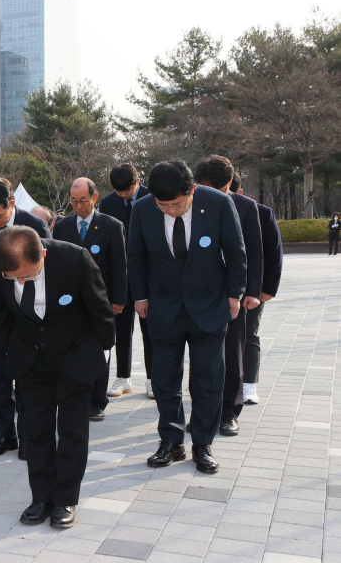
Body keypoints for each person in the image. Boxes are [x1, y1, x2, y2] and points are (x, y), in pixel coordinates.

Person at [0, 227, 115, 528]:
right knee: (36, 430)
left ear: (42, 254)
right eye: (13, 277)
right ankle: (41, 498)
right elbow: (1, 314)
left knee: (72, 431)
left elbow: (101, 310)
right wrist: (13, 351)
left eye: (26, 276)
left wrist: (102, 353)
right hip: (30, 359)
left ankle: (65, 499)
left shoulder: (74, 259)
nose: (20, 282)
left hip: (74, 355)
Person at [128, 160, 247, 474]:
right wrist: (140, 296)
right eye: (163, 205)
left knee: (208, 379)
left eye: (177, 204)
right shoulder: (142, 210)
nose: (170, 211)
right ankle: (171, 442)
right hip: (162, 306)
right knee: (165, 381)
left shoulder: (219, 203)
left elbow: (236, 252)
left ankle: (203, 444)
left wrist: (234, 294)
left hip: (209, 305)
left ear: (193, 190)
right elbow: (136, 255)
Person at [0, 179, 52, 459]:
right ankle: (5, 435)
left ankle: (29, 436)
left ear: (11, 204)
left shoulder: (34, 225)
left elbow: (46, 273)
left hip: (28, 314)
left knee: (27, 379)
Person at [193, 156, 263, 437]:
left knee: (233, 353)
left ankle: (229, 413)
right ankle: (203, 413)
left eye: (216, 189)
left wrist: (252, 291)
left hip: (233, 293)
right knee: (200, 357)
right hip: (199, 292)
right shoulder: (190, 205)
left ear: (229, 184)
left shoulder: (246, 207)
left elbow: (255, 252)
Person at [52, 178, 127, 420]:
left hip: (100, 300)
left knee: (100, 349)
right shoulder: (62, 227)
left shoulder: (112, 226)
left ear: (94, 198)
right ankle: (75, 397)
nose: (78, 206)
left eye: (83, 200)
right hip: (70, 301)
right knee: (71, 348)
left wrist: (118, 299)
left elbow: (119, 266)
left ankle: (97, 401)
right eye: (73, 201)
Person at [99, 164, 155, 399]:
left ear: (138, 180)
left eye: (128, 192)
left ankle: (153, 378)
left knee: (150, 329)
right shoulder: (107, 203)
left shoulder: (154, 198)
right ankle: (123, 377)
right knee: (121, 330)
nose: (124, 196)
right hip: (119, 278)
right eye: (120, 193)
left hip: (149, 275)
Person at [230, 173, 283, 405]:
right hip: (219, 287)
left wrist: (267, 289)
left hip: (252, 288)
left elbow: (273, 253)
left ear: (239, 193)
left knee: (248, 334)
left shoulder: (261, 212)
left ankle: (248, 385)